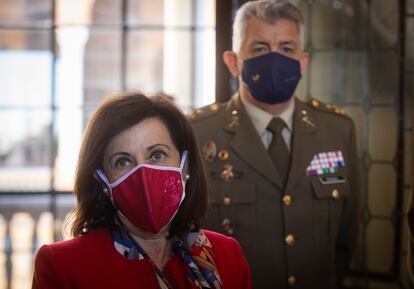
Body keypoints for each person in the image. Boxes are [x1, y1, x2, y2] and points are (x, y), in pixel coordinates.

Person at [189, 1, 361, 288]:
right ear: (233, 62)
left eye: (286, 48)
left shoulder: (337, 131)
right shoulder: (197, 133)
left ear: (302, 62)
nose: (274, 59)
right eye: (259, 48)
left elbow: (346, 236)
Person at [31, 92, 252, 289]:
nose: (143, 175)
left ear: (185, 166)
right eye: (123, 162)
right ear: (103, 181)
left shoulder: (227, 255)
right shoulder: (62, 265)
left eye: (157, 155)